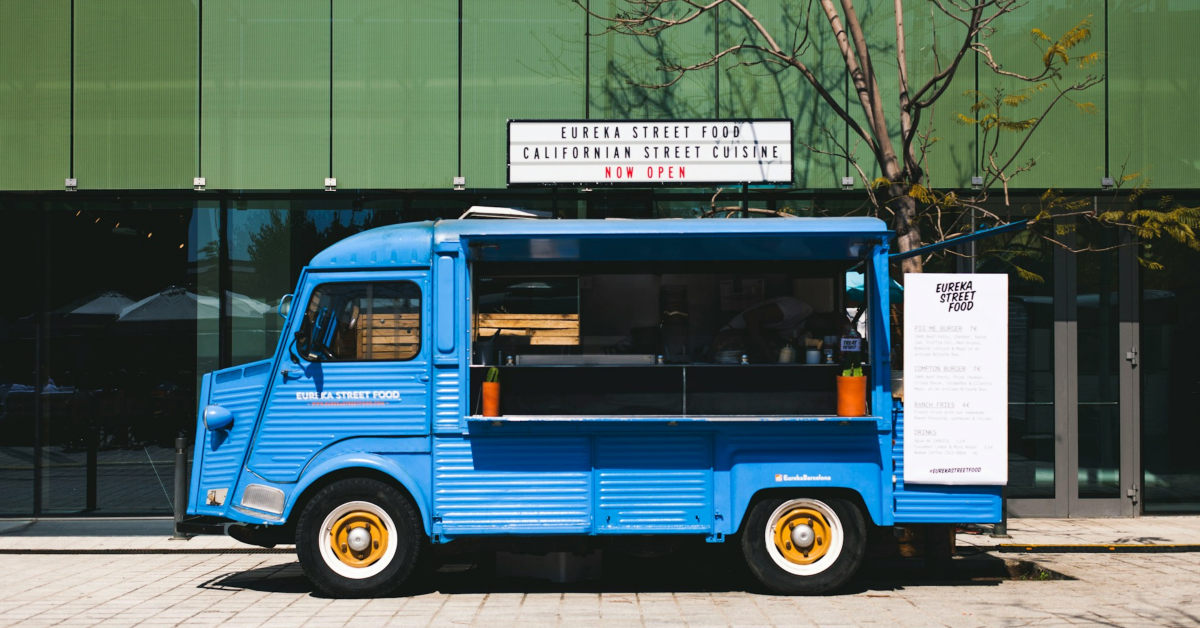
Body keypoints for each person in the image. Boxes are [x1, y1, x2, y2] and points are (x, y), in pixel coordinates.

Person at [711, 296, 813, 363]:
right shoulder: (796, 309)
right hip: (732, 338)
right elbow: (750, 316)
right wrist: (764, 346)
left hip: (748, 348)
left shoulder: (802, 330)